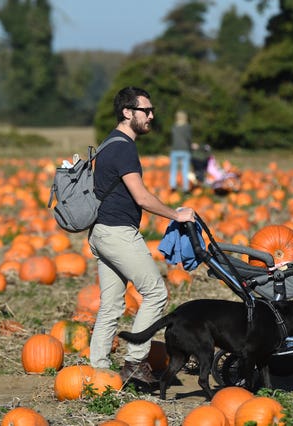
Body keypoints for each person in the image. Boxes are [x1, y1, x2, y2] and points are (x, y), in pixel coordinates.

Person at [88, 86, 195, 385]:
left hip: (100, 233)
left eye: (152, 111)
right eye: (145, 111)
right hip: (118, 233)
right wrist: (177, 214)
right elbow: (142, 198)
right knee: (156, 293)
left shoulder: (109, 143)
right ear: (127, 112)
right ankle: (135, 361)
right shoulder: (123, 147)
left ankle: (98, 371)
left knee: (111, 304)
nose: (151, 116)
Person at [169, 110, 192, 193]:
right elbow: (188, 139)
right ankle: (185, 188)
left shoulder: (174, 127)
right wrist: (191, 147)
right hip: (185, 150)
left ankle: (173, 186)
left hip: (175, 150)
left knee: (173, 169)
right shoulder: (187, 127)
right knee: (185, 169)